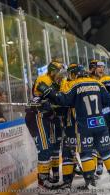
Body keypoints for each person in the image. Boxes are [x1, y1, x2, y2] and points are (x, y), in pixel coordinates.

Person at [37, 63, 110, 190]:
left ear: (75, 74)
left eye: (70, 73)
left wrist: (49, 94)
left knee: (76, 153)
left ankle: (75, 182)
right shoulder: (97, 83)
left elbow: (62, 101)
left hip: (79, 126)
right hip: (99, 122)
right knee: (106, 151)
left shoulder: (73, 84)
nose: (68, 76)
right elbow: (108, 101)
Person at [25, 61, 63, 189]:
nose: (60, 75)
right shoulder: (44, 79)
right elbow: (39, 99)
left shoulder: (56, 82)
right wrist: (47, 102)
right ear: (52, 71)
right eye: (58, 72)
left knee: (51, 147)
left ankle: (48, 177)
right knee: (45, 148)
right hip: (37, 116)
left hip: (47, 117)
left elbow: (57, 100)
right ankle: (42, 180)